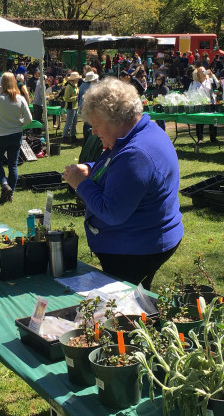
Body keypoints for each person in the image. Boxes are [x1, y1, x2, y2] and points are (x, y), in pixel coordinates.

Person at [62, 78, 183, 290]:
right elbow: (117, 167)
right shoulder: (140, 134)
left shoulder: (136, 154)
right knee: (137, 301)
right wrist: (92, 169)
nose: (94, 132)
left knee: (123, 308)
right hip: (144, 240)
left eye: (97, 126)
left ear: (117, 119)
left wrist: (80, 183)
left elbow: (112, 212)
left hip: (134, 249)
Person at [0, 73, 32, 204]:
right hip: (16, 134)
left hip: (1, 135)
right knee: (12, 165)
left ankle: (4, 184)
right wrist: (20, 124)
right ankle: (11, 193)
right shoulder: (21, 99)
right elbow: (29, 119)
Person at [191, 66, 219, 143]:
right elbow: (191, 93)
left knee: (213, 121)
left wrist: (212, 74)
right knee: (199, 121)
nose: (204, 72)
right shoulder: (194, 83)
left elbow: (219, 85)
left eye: (204, 70)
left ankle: (213, 137)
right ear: (198, 73)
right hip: (199, 104)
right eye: (201, 71)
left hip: (210, 103)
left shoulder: (209, 80)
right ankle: (200, 138)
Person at [61, 72, 81, 142]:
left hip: (75, 106)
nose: (78, 80)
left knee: (74, 122)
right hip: (70, 107)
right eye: (77, 79)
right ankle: (64, 136)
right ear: (73, 80)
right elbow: (66, 99)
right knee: (69, 122)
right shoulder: (69, 87)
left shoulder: (75, 85)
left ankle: (73, 135)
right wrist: (75, 98)